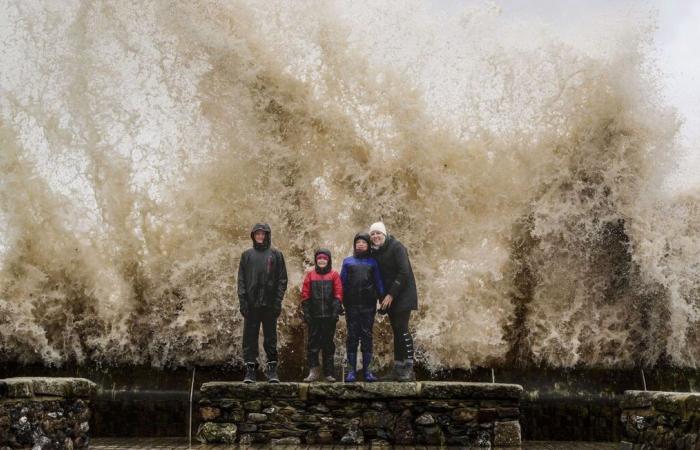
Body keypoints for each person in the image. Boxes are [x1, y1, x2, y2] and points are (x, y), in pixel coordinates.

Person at [237, 223, 288, 383]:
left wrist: (277, 301)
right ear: (253, 236)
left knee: (270, 338)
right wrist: (243, 302)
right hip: (251, 305)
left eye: (263, 234)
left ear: (267, 235)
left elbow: (282, 280)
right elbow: (241, 281)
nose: (260, 236)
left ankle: (272, 371)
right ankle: (250, 370)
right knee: (249, 338)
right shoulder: (246, 255)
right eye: (257, 234)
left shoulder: (276, 255)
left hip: (270, 304)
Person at [369, 222, 418, 381]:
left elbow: (404, 272)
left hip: (403, 294)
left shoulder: (397, 247)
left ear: (385, 234)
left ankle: (409, 369)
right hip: (390, 298)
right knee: (396, 330)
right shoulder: (376, 251)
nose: (376, 236)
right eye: (373, 234)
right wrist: (381, 298)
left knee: (402, 329)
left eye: (378, 233)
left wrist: (390, 295)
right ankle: (398, 368)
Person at [340, 233, 385, 382]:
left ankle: (367, 371)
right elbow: (341, 284)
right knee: (352, 337)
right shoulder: (347, 262)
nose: (360, 244)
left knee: (367, 337)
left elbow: (378, 282)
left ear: (368, 245)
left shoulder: (373, 262)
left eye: (363, 242)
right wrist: (338, 302)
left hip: (368, 306)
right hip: (351, 305)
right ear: (354, 245)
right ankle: (351, 371)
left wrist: (382, 299)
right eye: (358, 242)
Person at [300, 249, 344, 382]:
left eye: (325, 258)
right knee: (313, 345)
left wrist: (335, 311)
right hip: (314, 317)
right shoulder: (310, 275)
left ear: (328, 260)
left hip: (329, 317)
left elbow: (338, 294)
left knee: (328, 345)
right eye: (319, 258)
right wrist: (307, 314)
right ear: (316, 260)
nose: (322, 260)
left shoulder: (334, 275)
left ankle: (328, 373)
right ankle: (313, 372)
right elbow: (305, 295)